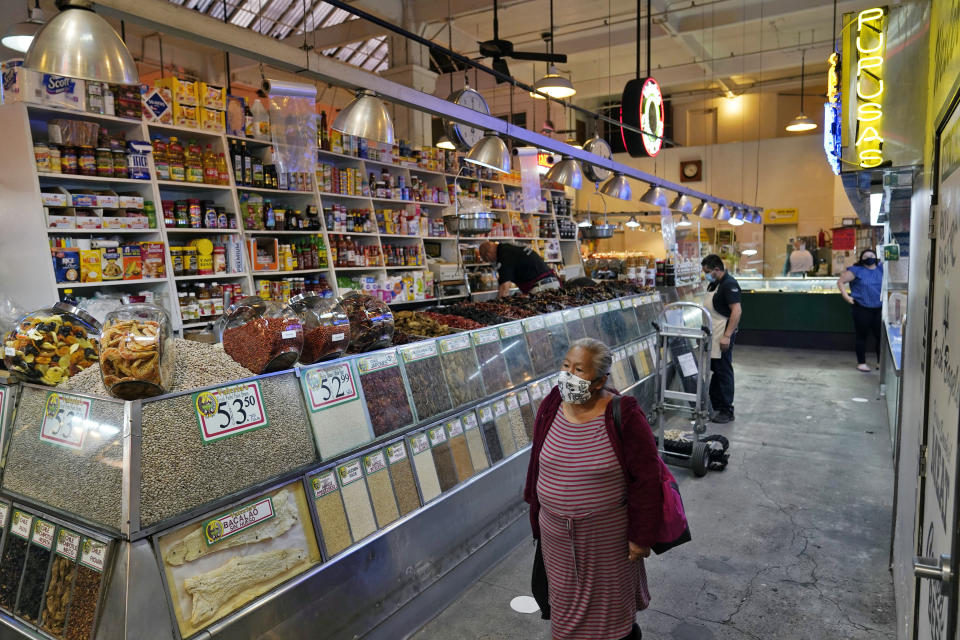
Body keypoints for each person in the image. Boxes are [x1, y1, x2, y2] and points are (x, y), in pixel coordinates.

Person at [524, 338, 662, 640]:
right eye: (565, 366)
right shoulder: (552, 405)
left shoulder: (622, 413)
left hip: (607, 540)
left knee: (611, 616)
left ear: (600, 379)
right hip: (556, 539)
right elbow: (538, 461)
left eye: (579, 370)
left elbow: (648, 480)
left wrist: (642, 537)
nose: (568, 375)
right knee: (565, 612)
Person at [701, 254, 742, 424]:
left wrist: (727, 336)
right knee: (717, 370)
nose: (706, 275)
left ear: (717, 269)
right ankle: (716, 404)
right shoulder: (715, 283)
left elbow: (737, 311)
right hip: (713, 334)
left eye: (708, 272)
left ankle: (727, 409)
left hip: (723, 335)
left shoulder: (729, 284)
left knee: (724, 371)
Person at [837, 249, 883, 372]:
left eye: (872, 255)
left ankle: (881, 362)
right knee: (861, 336)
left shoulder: (881, 269)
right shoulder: (856, 270)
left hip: (879, 308)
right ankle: (861, 362)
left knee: (881, 337)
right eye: (866, 256)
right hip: (862, 308)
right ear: (861, 258)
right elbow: (841, 281)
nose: (869, 257)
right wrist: (846, 296)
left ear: (876, 257)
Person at [477, 240, 559, 296]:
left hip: (543, 288)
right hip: (550, 283)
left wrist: (498, 306)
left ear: (488, 255)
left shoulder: (503, 256)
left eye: (488, 260)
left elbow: (504, 288)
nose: (491, 262)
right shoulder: (507, 248)